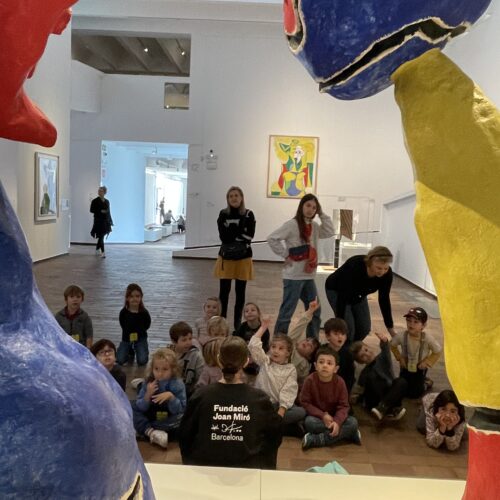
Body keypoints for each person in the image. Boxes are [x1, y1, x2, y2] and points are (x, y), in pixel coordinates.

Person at [179, 336, 283, 469]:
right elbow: (274, 437)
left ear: (219, 360)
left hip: (205, 469)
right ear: (246, 362)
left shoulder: (201, 396)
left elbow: (185, 435)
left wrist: (192, 466)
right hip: (248, 470)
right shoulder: (259, 399)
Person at [267, 194, 334, 338]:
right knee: (287, 312)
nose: (311, 210)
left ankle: (312, 341)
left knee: (315, 310)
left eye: (314, 208)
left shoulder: (314, 226)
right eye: (308, 205)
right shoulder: (292, 224)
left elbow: (329, 231)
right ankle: (279, 342)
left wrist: (322, 214)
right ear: (301, 206)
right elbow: (272, 238)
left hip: (308, 276)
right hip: (293, 276)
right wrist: (285, 254)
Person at [324, 246, 395, 344]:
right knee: (348, 329)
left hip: (359, 294)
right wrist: (341, 323)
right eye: (378, 268)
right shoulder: (355, 265)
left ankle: (352, 348)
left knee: (364, 328)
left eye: (385, 268)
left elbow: (384, 299)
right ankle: (344, 348)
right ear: (370, 262)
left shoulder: (387, 275)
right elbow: (342, 297)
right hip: (337, 291)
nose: (382, 272)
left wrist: (390, 329)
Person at [248, 319, 306, 431]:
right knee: (251, 410)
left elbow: (289, 389)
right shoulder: (265, 361)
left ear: (288, 353)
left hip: (279, 405)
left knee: (300, 412)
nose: (275, 351)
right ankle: (281, 426)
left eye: (281, 348)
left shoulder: (290, 369)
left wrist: (282, 410)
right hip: (262, 404)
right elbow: (253, 346)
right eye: (273, 347)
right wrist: (263, 327)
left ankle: (271, 424)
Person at [300, 345, 361, 450]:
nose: (325, 365)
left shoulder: (340, 382)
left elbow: (344, 406)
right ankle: (348, 433)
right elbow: (305, 402)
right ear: (315, 365)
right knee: (310, 423)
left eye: (329, 363)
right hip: (318, 417)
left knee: (353, 422)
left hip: (335, 417)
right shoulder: (309, 380)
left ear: (335, 369)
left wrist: (337, 422)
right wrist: (322, 415)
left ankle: (317, 439)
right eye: (321, 362)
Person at [214, 186, 256, 331]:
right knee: (223, 293)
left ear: (241, 197)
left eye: (236, 195)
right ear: (227, 199)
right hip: (226, 258)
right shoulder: (223, 214)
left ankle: (237, 325)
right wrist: (240, 232)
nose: (234, 198)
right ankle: (222, 324)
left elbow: (250, 236)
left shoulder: (249, 214)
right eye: (231, 196)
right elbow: (223, 237)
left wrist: (231, 229)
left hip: (243, 258)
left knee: (240, 293)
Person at [132, 348, 186, 449]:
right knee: (131, 406)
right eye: (156, 369)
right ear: (152, 369)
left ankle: (145, 431)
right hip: (152, 419)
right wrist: (147, 395)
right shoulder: (149, 382)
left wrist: (171, 397)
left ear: (173, 370)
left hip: (170, 423)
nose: (160, 373)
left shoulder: (178, 384)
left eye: (165, 369)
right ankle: (152, 433)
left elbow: (181, 409)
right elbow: (141, 407)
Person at [350, 331, 408, 421]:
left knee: (401, 381)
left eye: (366, 350)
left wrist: (384, 341)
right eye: (362, 356)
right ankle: (390, 409)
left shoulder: (382, 358)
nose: (367, 354)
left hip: (390, 392)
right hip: (376, 399)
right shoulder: (364, 373)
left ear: (369, 347)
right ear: (361, 361)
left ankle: (384, 408)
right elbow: (363, 391)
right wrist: (357, 398)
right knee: (371, 377)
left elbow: (385, 349)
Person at [391, 307, 441, 399]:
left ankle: (425, 384)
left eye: (416, 322)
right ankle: (418, 383)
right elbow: (392, 345)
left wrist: (427, 362)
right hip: (405, 366)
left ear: (423, 325)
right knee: (402, 387)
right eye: (409, 321)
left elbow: (437, 351)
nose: (411, 324)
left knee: (415, 394)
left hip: (420, 367)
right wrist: (400, 358)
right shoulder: (401, 336)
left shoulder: (428, 339)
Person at [116, 283, 151, 367]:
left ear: (141, 297)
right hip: (126, 338)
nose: (135, 299)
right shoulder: (123, 312)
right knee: (119, 360)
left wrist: (140, 332)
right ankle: (129, 350)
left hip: (141, 337)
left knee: (142, 361)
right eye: (131, 296)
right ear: (127, 298)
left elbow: (147, 324)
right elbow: (122, 324)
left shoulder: (144, 313)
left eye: (137, 296)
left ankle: (141, 348)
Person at [288, 299, 321, 386]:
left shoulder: (305, 367)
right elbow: (298, 328)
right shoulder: (290, 346)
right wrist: (310, 312)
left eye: (310, 346)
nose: (307, 343)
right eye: (307, 340)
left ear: (309, 356)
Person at [169, 321, 204, 397]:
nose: (188, 342)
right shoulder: (167, 354)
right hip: (170, 390)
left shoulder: (197, 356)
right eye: (184, 340)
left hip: (189, 391)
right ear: (174, 341)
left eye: (190, 339)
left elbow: (201, 377)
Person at [323, 318, 355, 394]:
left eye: (343, 334)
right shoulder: (321, 351)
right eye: (336, 334)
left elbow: (350, 378)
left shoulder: (348, 355)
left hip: (340, 391)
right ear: (327, 336)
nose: (340, 337)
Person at [90, 186, 113, 258]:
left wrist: (110, 221)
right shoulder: (95, 201)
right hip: (98, 221)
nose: (99, 192)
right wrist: (100, 211)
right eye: (99, 191)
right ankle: (103, 252)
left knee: (101, 236)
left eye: (101, 191)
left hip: (105, 221)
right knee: (101, 236)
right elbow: (91, 210)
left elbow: (109, 212)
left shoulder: (107, 201)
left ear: (104, 192)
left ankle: (97, 249)